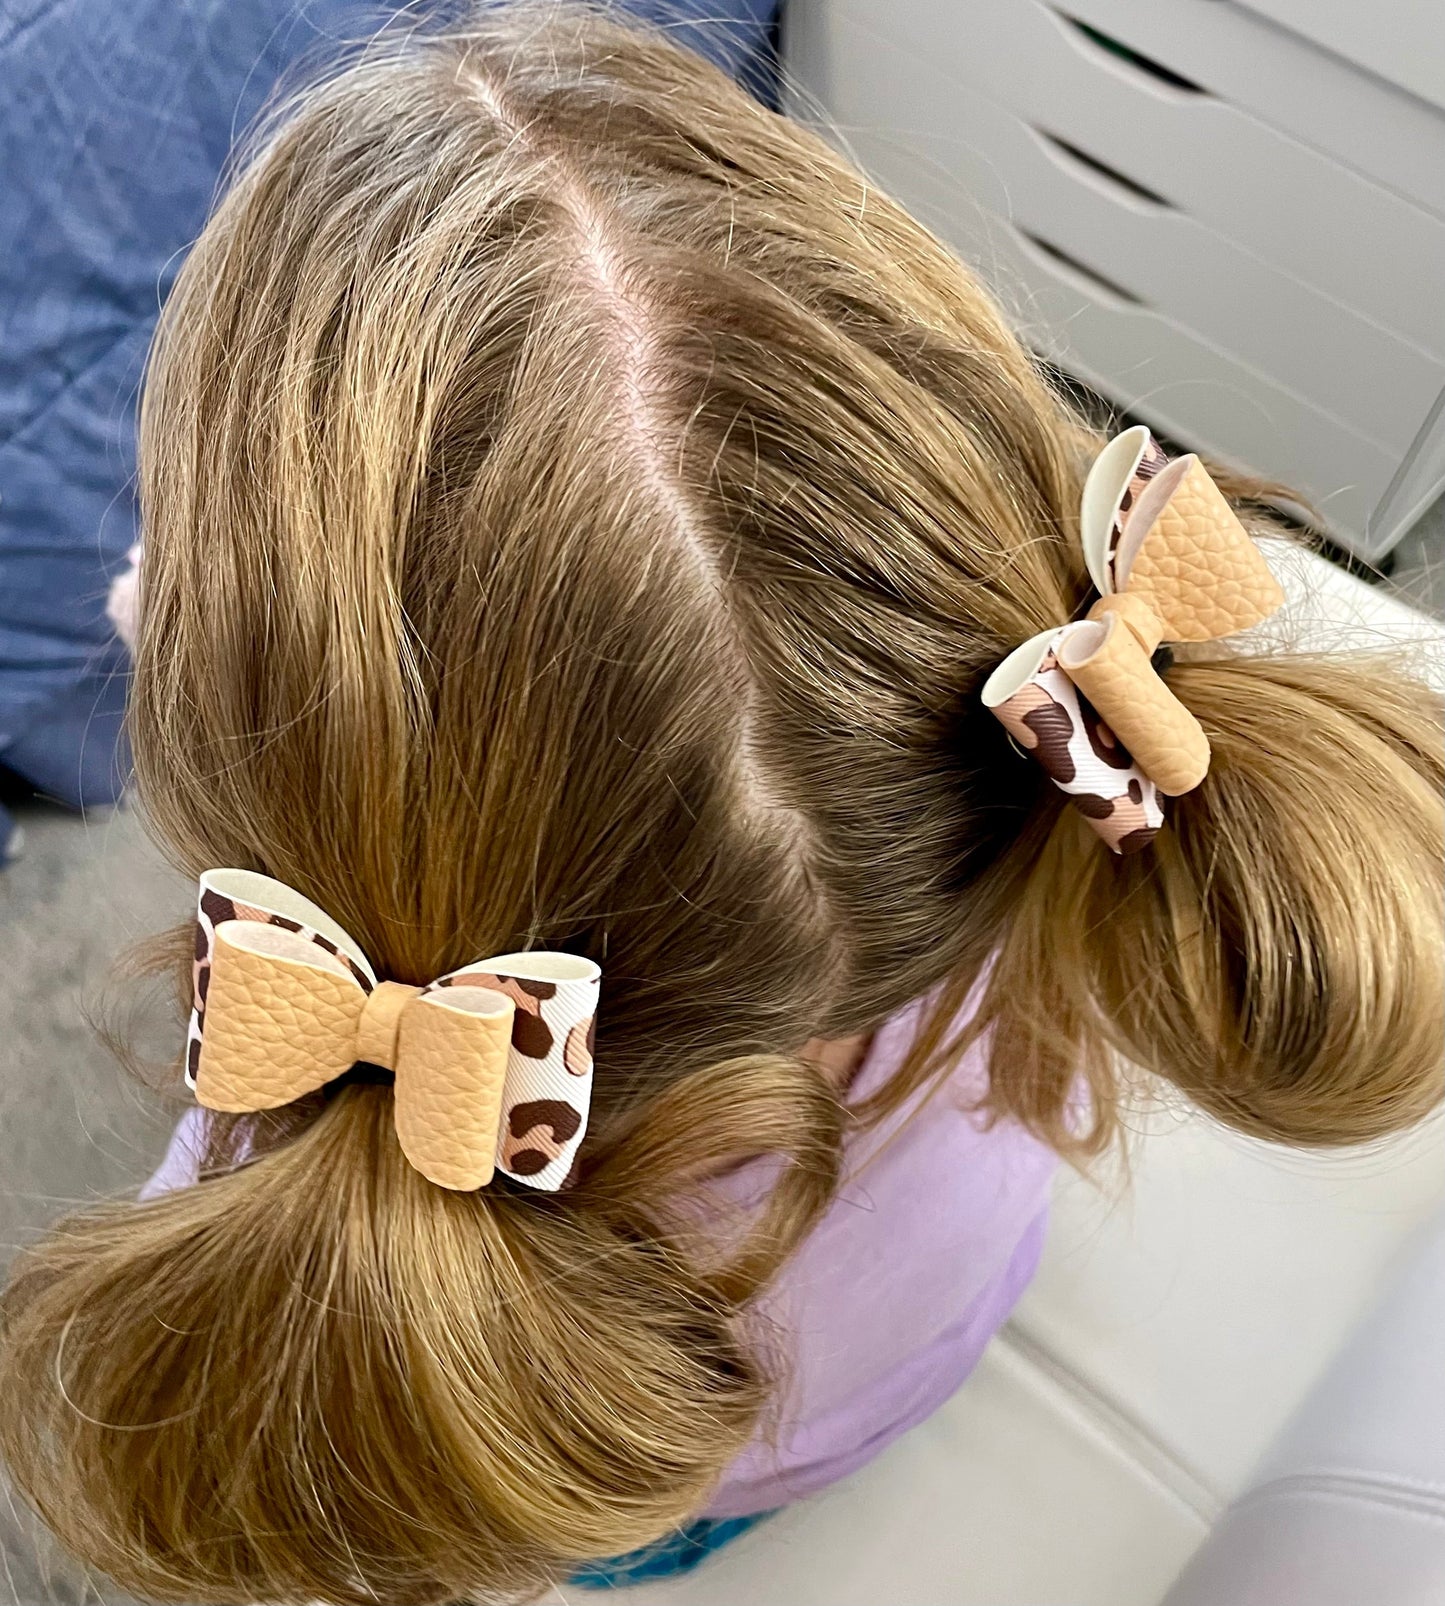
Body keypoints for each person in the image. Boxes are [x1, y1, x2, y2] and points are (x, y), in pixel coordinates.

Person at [2, 7, 1440, 1602]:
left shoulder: (304, 1149)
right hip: (932, 1327)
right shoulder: (1023, 793)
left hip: (655, 1473)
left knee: (609, 1508)